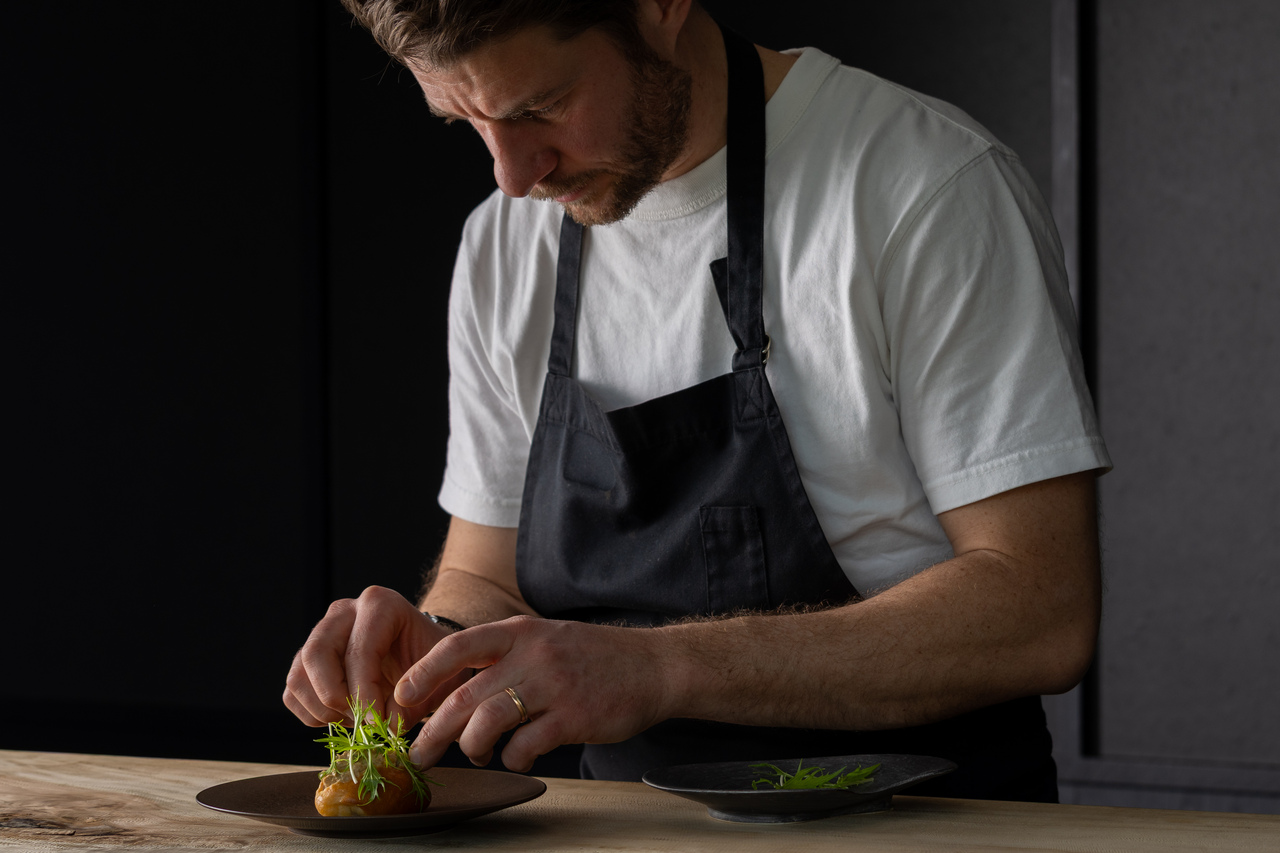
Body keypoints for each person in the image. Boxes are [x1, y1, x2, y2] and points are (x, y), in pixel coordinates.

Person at [285, 0, 1111, 802]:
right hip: (625, 826)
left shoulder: (924, 184)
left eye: (541, 107)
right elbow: (484, 576)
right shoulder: (505, 242)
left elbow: (1040, 611)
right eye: (463, 121)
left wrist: (657, 667)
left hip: (922, 819)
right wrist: (434, 646)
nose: (512, 174)